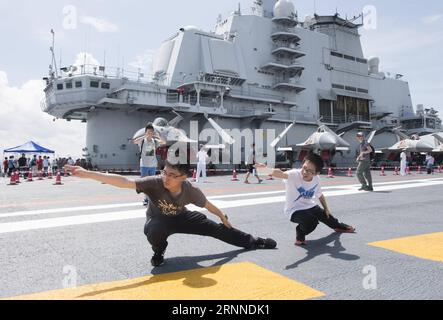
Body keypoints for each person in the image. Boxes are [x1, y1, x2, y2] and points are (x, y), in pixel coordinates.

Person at [65, 161, 277, 267]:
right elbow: (124, 182)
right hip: (159, 220)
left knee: (218, 230)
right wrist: (87, 174)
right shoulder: (154, 183)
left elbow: (209, 206)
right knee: (154, 230)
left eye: (173, 175)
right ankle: (159, 250)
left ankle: (254, 241)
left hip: (183, 217)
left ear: (184, 177)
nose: (166, 178)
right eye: (164, 172)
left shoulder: (190, 190)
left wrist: (222, 217)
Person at [257, 153, 355, 246]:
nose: (304, 172)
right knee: (312, 221)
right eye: (304, 168)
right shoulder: (294, 174)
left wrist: (326, 209)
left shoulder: (316, 180)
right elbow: (280, 174)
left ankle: (337, 226)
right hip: (294, 210)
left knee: (327, 216)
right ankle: (300, 232)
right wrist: (266, 170)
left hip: (310, 206)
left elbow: (320, 195)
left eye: (309, 171)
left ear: (316, 173)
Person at [134, 122, 167, 206]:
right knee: (145, 184)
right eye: (148, 132)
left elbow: (164, 142)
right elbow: (135, 141)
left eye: (151, 132)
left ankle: (150, 199)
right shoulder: (142, 141)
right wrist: (144, 136)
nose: (150, 134)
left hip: (152, 165)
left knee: (152, 183)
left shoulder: (155, 141)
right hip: (144, 165)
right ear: (146, 132)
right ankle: (146, 198)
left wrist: (157, 136)